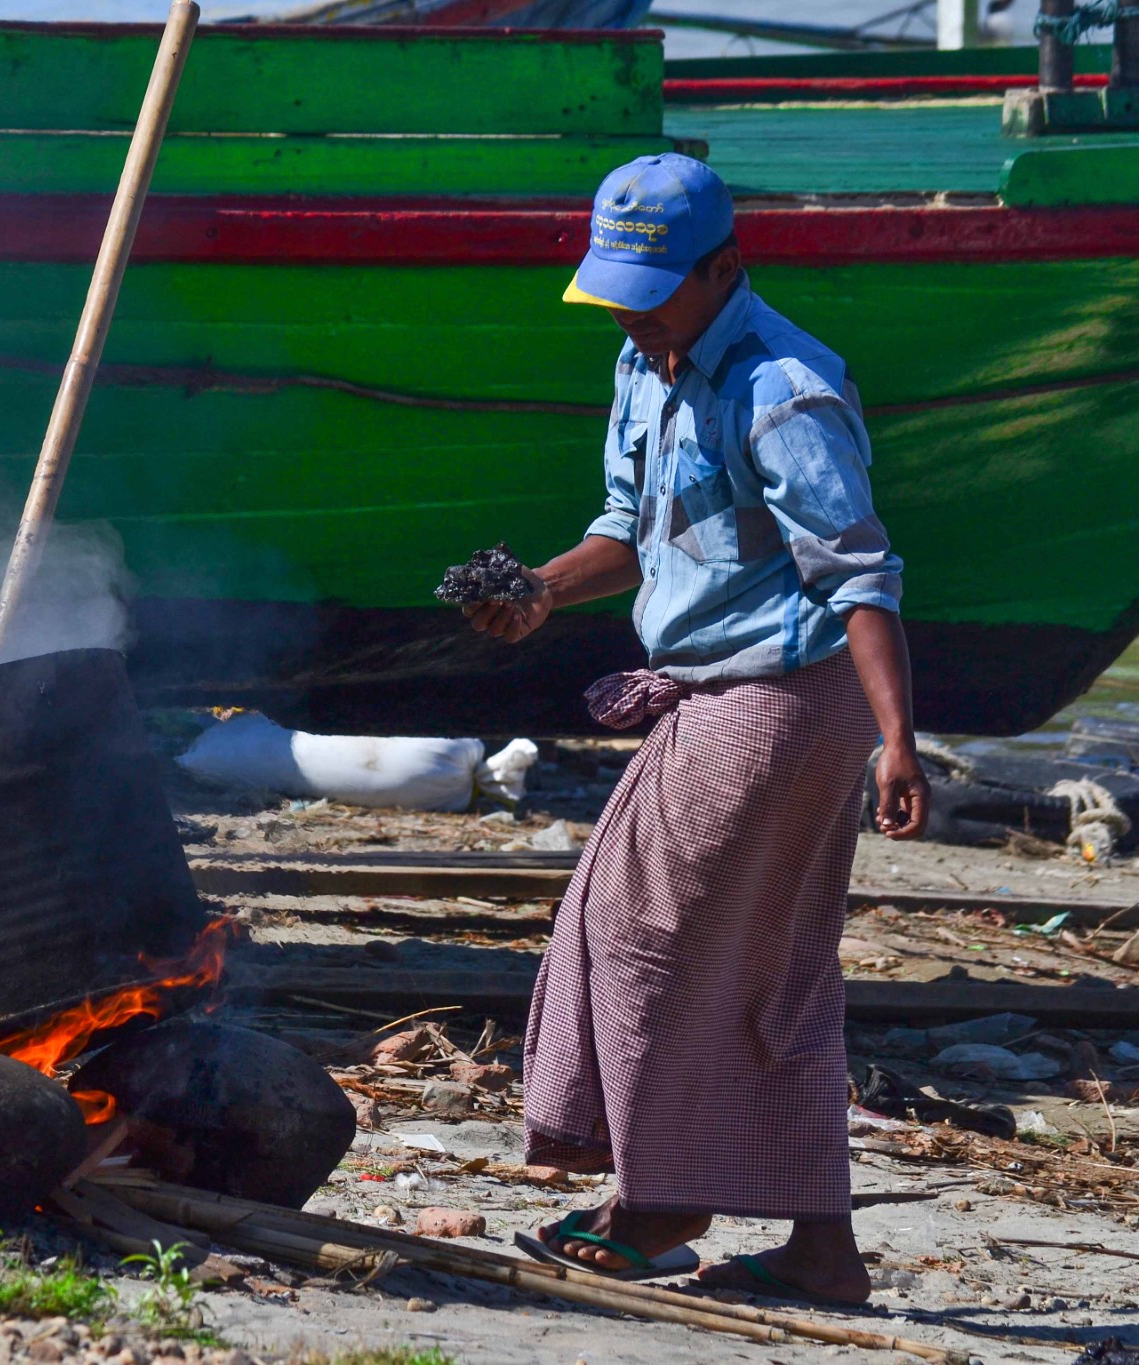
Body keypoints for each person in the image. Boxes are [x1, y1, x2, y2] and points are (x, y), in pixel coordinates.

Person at [464, 154, 930, 1305]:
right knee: (770, 975)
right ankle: (821, 1250)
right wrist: (534, 589)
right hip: (716, 687)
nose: (630, 307)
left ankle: (660, 1200)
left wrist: (897, 741)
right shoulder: (641, 361)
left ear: (726, 268)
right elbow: (626, 528)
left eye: (655, 286)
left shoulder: (783, 388)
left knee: (637, 936)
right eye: (618, 286)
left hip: (782, 697)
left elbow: (858, 574)